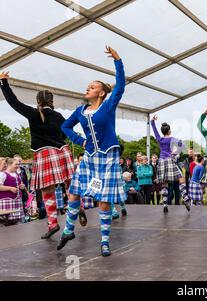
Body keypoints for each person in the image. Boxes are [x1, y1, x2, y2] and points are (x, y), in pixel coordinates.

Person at [57, 46, 126, 257]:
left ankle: (104, 241)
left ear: (101, 92)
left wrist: (118, 60)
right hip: (90, 158)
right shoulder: (80, 111)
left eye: (93, 86)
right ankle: (68, 230)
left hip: (108, 159)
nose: (88, 88)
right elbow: (65, 127)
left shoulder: (107, 106)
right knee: (74, 193)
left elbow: (121, 85)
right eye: (88, 86)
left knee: (104, 200)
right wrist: (81, 140)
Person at [0, 71, 75, 239]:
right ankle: (78, 210)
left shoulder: (33, 113)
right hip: (62, 152)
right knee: (70, 185)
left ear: (38, 101)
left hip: (44, 154)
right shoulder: (58, 116)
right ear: (51, 101)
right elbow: (64, 135)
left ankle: (53, 223)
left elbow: (13, 102)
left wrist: (3, 82)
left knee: (47, 191)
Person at [151, 115, 191, 214]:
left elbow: (154, 128)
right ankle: (186, 199)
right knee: (181, 178)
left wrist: (153, 121)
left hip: (161, 161)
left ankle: (165, 204)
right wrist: (175, 153)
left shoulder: (159, 139)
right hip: (169, 160)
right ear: (169, 131)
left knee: (164, 183)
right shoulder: (172, 139)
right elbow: (183, 145)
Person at [0, 158, 25, 224]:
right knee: (8, 222)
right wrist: (10, 188)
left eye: (18, 164)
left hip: (17, 201)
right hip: (7, 201)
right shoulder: (3, 174)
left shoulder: (16, 174)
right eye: (16, 164)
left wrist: (22, 187)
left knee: (17, 222)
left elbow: (20, 184)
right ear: (9, 165)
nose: (18, 166)